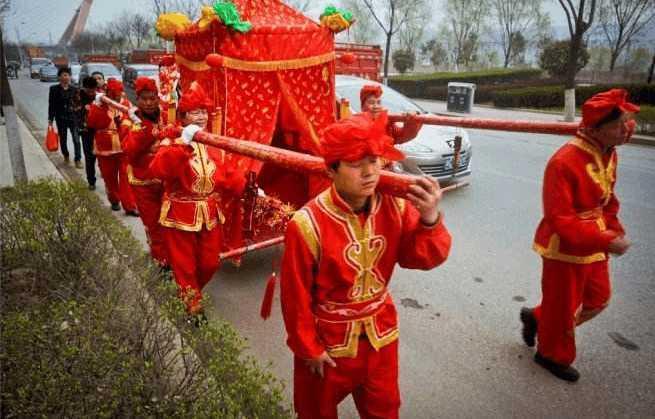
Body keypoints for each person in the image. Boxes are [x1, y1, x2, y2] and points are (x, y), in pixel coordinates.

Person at [279, 112, 452, 418]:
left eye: (374, 161)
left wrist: (429, 219)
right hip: (328, 346)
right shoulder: (307, 224)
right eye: (356, 164)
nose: (369, 172)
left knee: (385, 410)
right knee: (315, 411)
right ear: (332, 170)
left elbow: (422, 257)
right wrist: (308, 348)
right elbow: (295, 297)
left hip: (380, 337)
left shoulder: (395, 206)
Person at [520, 89, 639, 382]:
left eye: (626, 122)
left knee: (598, 299)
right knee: (563, 308)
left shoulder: (607, 152)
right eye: (618, 125)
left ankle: (537, 317)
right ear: (596, 129)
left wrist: (614, 229)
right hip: (565, 248)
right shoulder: (563, 161)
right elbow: (560, 219)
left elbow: (608, 200)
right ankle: (550, 354)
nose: (626, 130)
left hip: (595, 240)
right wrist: (606, 240)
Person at [150, 82, 245, 317]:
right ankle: (193, 305)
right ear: (183, 116)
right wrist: (184, 143)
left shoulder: (214, 144)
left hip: (210, 214)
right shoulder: (171, 142)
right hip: (179, 215)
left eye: (203, 111)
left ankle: (190, 293)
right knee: (184, 266)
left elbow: (228, 178)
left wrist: (250, 189)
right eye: (195, 112)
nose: (201, 116)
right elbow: (159, 170)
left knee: (210, 263)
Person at [123, 77, 168, 266]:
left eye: (152, 98)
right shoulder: (129, 121)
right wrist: (144, 128)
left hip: (166, 180)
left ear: (158, 98)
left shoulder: (167, 116)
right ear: (137, 99)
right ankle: (162, 261)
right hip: (143, 182)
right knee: (154, 224)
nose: (149, 103)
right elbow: (130, 152)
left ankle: (171, 256)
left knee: (170, 223)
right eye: (144, 99)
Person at [86, 78, 138, 215]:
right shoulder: (99, 104)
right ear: (108, 92)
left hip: (123, 145)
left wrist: (123, 124)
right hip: (105, 147)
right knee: (109, 177)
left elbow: (134, 121)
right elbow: (92, 123)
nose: (117, 96)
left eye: (119, 93)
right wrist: (98, 107)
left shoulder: (126, 103)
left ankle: (130, 206)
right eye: (114, 93)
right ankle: (114, 200)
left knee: (126, 177)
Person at [48, 67, 81, 167]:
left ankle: (77, 159)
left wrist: (79, 115)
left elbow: (79, 104)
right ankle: (66, 155)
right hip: (60, 118)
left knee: (76, 139)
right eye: (64, 75)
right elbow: (52, 104)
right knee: (63, 139)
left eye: (68, 75)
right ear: (59, 77)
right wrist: (50, 119)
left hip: (73, 118)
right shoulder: (54, 89)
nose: (66, 77)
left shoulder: (75, 89)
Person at [76, 76, 99, 189]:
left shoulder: (99, 96)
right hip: (86, 132)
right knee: (89, 157)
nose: (91, 93)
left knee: (101, 156)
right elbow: (75, 114)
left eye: (93, 90)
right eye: (89, 91)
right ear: (84, 88)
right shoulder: (78, 97)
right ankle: (91, 181)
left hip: (100, 131)